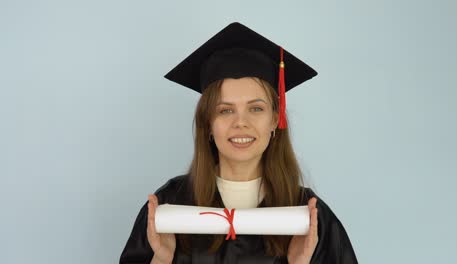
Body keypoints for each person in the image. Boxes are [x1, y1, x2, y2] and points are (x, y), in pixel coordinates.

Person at [120, 22, 358, 264]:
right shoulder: (171, 206)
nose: (240, 122)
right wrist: (161, 259)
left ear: (275, 119)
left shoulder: (308, 215)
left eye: (256, 108)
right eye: (225, 111)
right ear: (208, 123)